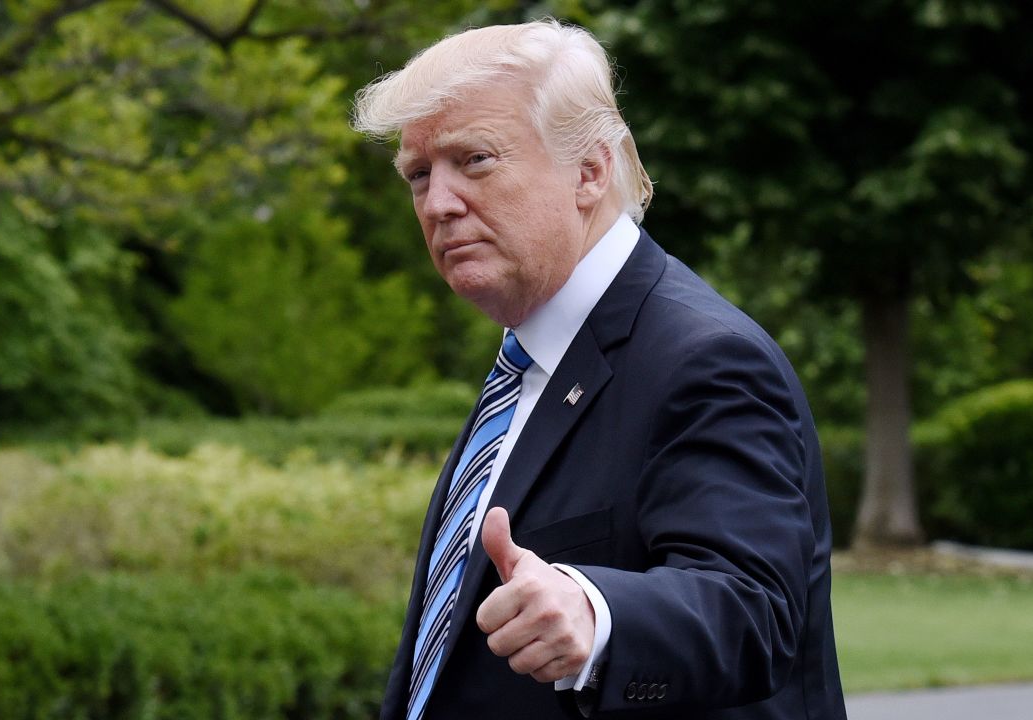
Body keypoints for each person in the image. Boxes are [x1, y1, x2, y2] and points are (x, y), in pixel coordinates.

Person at [352, 19, 846, 720]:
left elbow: (754, 611)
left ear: (590, 170)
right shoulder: (530, 361)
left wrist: (597, 611)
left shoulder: (705, 358)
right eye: (419, 174)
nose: (438, 203)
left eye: (476, 160)